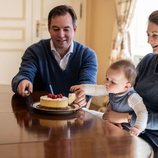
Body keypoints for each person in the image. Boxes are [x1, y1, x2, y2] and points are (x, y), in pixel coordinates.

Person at [11, 5, 98, 107]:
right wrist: (22, 81)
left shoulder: (88, 55)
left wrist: (84, 95)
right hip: (40, 114)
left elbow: (88, 85)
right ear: (49, 29)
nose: (61, 34)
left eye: (66, 29)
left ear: (74, 29)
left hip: (74, 113)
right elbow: (23, 75)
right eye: (56, 29)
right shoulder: (34, 51)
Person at [71, 59, 148, 136]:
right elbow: (96, 89)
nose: (107, 83)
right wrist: (82, 88)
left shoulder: (132, 97)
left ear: (126, 86)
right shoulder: (112, 89)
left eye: (113, 82)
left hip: (125, 129)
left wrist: (137, 127)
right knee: (84, 112)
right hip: (110, 121)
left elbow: (142, 112)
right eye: (107, 79)